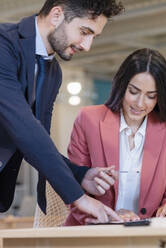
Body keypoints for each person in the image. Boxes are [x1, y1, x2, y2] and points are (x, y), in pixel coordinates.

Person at [0, 0, 124, 223]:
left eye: (93, 37)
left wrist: (79, 174)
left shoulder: (53, 72)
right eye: (84, 32)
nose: (87, 46)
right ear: (56, 15)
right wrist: (78, 197)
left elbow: (38, 140)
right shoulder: (3, 44)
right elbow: (24, 129)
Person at [65, 48, 166, 225]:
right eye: (133, 92)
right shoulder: (88, 120)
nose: (140, 103)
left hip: (147, 236)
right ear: (122, 85)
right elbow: (73, 187)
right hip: (92, 232)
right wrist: (110, 216)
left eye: (151, 96)